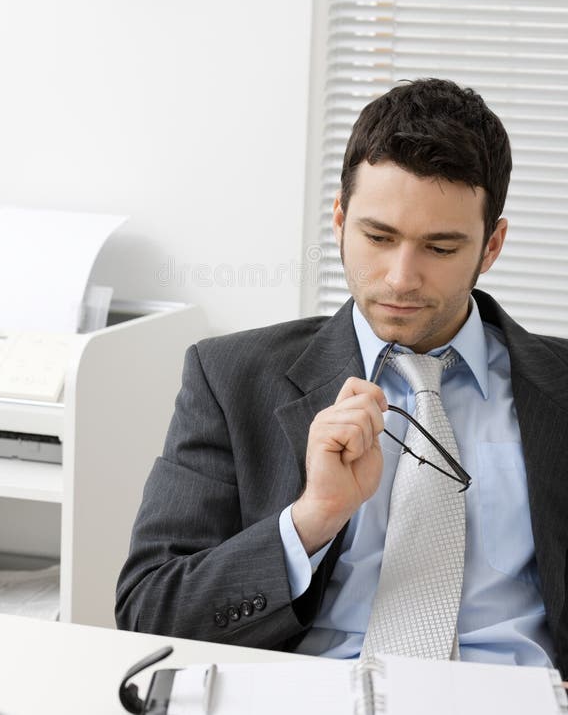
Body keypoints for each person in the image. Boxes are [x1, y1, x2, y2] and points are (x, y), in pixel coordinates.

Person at [115, 78, 568, 676]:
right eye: (378, 237)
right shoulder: (230, 377)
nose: (401, 277)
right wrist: (310, 521)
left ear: (491, 246)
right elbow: (151, 612)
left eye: (440, 248)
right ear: (339, 220)